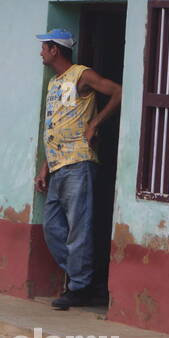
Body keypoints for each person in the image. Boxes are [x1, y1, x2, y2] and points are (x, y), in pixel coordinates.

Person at [32, 28, 122, 311]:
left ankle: (80, 287)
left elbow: (117, 91)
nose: (41, 53)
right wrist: (45, 166)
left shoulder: (82, 75)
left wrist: (94, 124)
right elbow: (55, 126)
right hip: (58, 166)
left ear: (55, 50)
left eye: (44, 48)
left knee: (78, 230)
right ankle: (88, 281)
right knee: (52, 228)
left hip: (79, 163)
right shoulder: (54, 82)